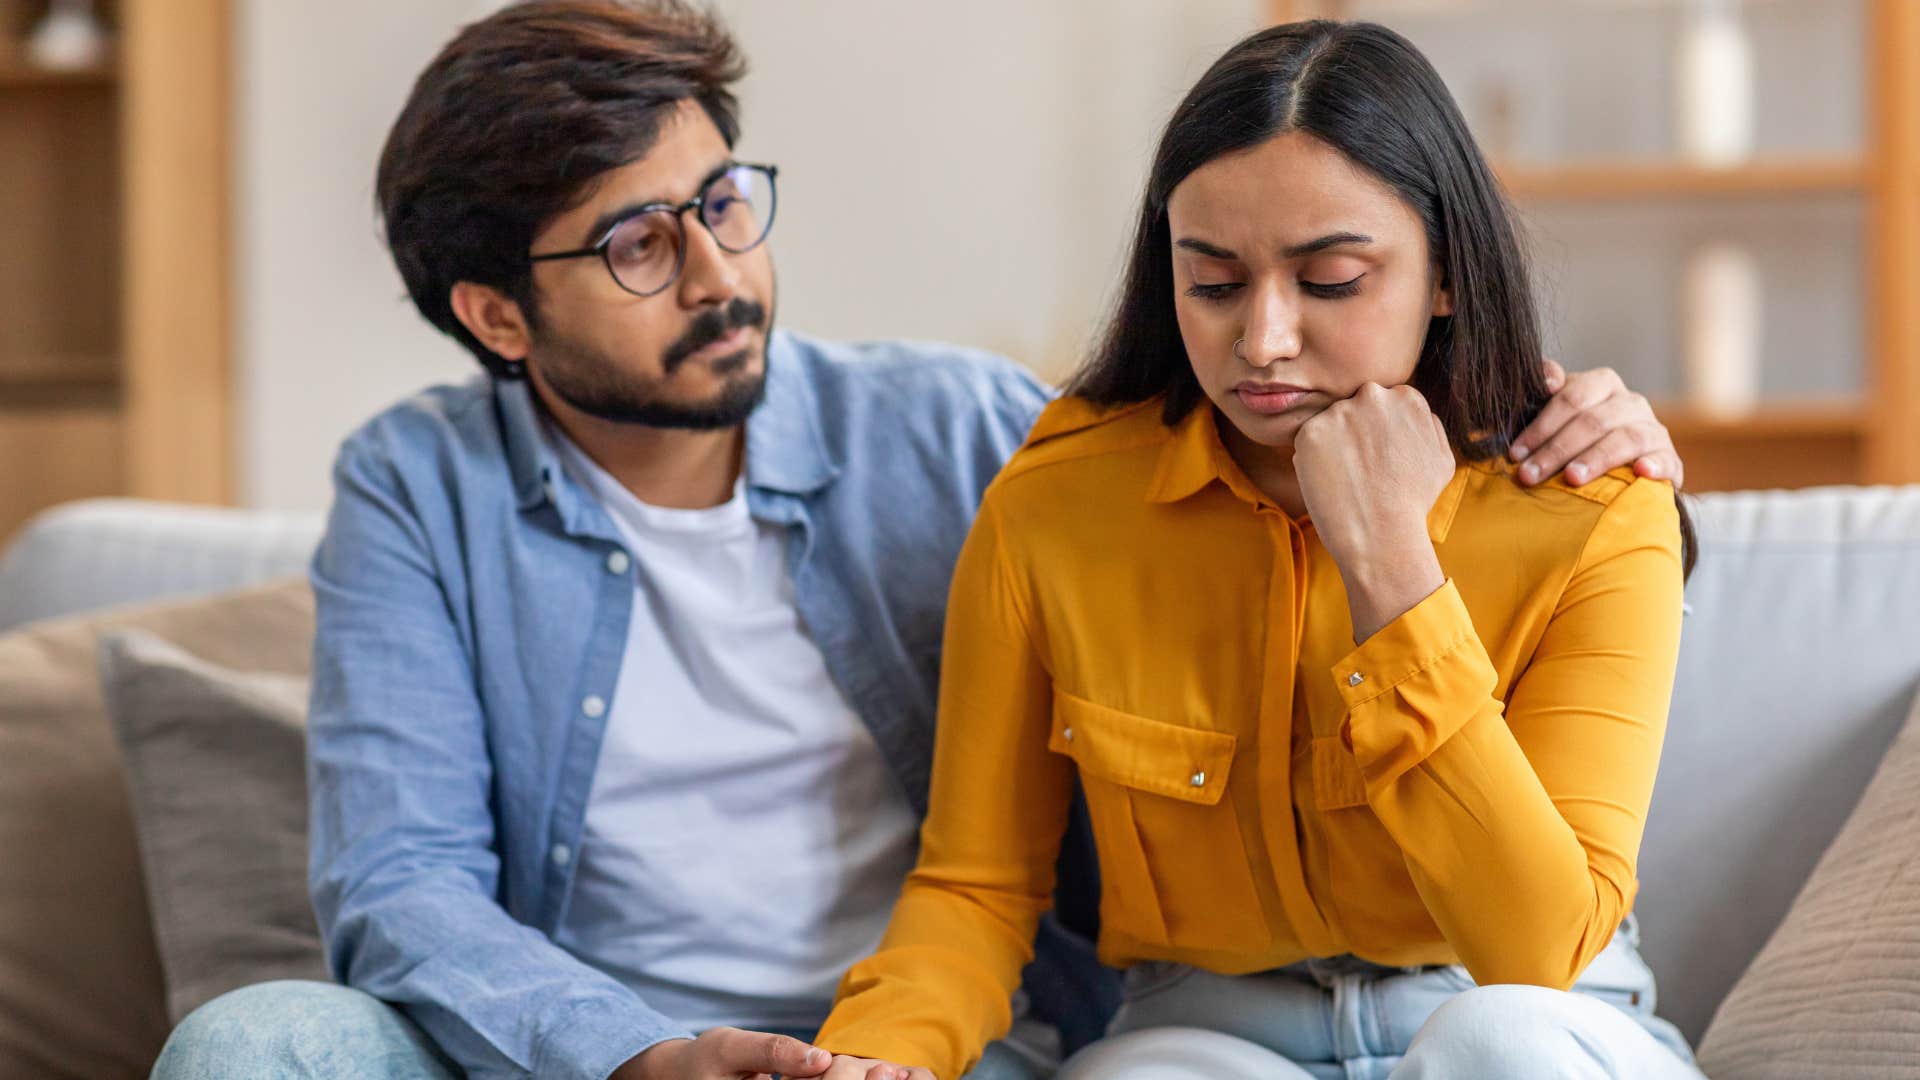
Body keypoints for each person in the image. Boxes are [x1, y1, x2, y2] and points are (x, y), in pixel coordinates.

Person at [150, 5, 1689, 1079]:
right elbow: (401, 884)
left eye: (723, 203)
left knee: (1498, 1042)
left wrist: (1531, 486)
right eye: (637, 244)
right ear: (497, 315)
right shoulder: (422, 492)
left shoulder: (961, 429)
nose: (719, 273)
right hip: (616, 1043)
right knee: (253, 1044)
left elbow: (1539, 945)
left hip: (1011, 1039)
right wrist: (633, 1057)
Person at [811, 19, 1701, 1080]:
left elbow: (1536, 953)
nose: (1263, 340)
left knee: (1497, 1044)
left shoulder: (1591, 507)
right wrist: (860, 1062)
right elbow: (977, 889)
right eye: (1214, 283)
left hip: (1519, 1016)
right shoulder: (1056, 506)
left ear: (1448, 274)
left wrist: (1392, 570)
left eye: (1329, 280)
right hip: (1210, 1033)